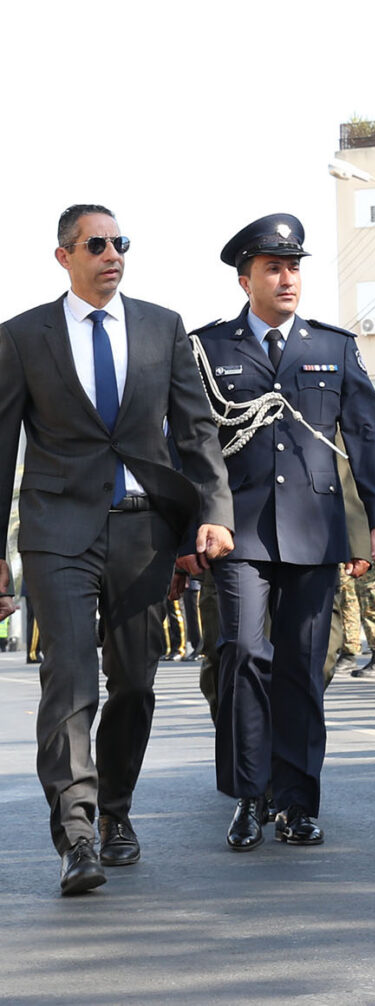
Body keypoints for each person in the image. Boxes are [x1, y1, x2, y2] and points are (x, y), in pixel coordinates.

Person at [0, 204, 235, 895]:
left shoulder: (163, 327)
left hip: (142, 531)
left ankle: (115, 811)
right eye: (95, 244)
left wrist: (212, 512)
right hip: (55, 533)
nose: (111, 254)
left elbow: (197, 432)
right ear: (64, 256)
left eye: (119, 243)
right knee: (70, 682)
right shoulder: (22, 337)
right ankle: (75, 835)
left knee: (133, 682)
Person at [191, 214, 375, 852]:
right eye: (273, 268)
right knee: (244, 656)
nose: (287, 278)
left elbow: (366, 434)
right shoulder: (208, 348)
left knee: (304, 668)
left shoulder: (332, 346)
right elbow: (191, 445)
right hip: (238, 531)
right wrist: (192, 528)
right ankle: (248, 797)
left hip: (314, 530)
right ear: (244, 277)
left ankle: (298, 800)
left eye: (295, 266)